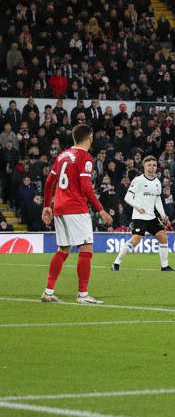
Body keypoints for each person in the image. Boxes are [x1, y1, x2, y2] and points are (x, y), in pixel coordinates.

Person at [40, 124, 113, 303]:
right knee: (86, 248)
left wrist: (46, 205)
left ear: (74, 138)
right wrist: (101, 210)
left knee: (63, 249)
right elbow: (86, 187)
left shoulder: (62, 155)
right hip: (76, 208)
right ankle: (83, 294)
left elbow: (50, 181)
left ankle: (48, 292)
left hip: (59, 207)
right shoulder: (86, 158)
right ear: (90, 138)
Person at [112, 156, 175, 272]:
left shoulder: (157, 182)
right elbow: (127, 198)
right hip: (140, 216)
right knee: (134, 242)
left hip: (151, 217)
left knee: (163, 237)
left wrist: (162, 214)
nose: (152, 168)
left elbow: (157, 200)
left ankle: (165, 266)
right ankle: (116, 263)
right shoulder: (138, 180)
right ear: (144, 166)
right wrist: (138, 207)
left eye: (154, 165)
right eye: (149, 165)